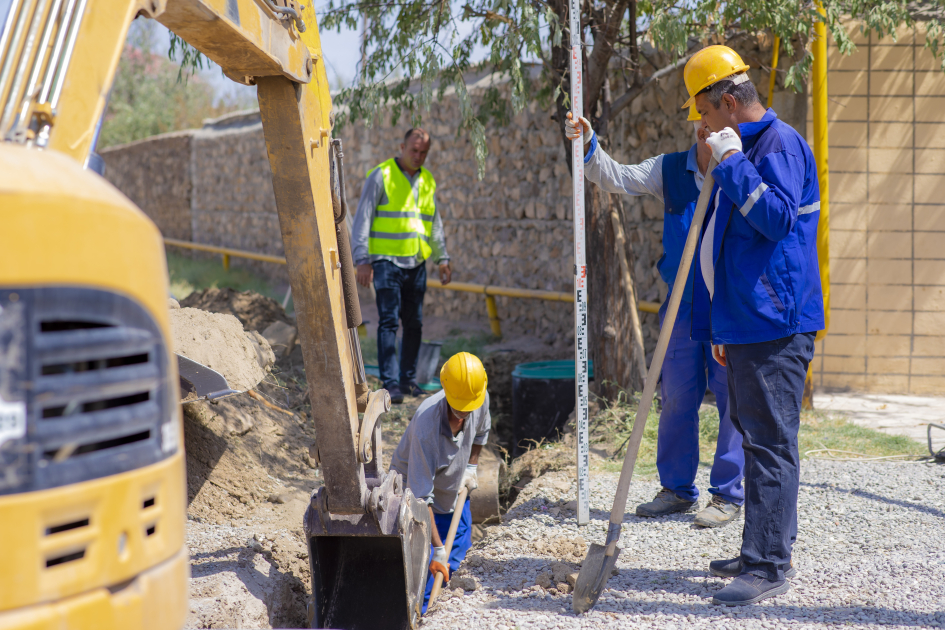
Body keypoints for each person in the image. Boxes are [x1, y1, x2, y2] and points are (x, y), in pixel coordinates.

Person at [682, 45, 823, 606]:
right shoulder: (738, 147)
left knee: (770, 444)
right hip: (744, 323)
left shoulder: (779, 145)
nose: (703, 127)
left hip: (775, 324)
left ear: (728, 100)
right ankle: (757, 548)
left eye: (706, 114)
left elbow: (775, 220)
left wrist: (733, 162)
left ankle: (767, 565)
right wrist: (722, 327)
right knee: (754, 433)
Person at [563, 106, 745, 528]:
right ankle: (677, 490)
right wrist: (589, 145)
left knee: (731, 398)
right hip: (681, 304)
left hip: (728, 307)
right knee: (677, 396)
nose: (715, 133)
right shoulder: (670, 170)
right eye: (709, 125)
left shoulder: (740, 169)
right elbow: (616, 177)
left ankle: (728, 495)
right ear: (701, 128)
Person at [352, 128, 452, 404]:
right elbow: (363, 218)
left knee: (415, 323)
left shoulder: (428, 180)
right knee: (388, 322)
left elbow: (434, 223)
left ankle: (408, 381)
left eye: (424, 153)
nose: (418, 156)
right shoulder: (381, 175)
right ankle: (391, 383)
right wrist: (362, 259)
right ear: (402, 146)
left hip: (416, 263)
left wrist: (442, 258)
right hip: (385, 261)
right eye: (414, 150)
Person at [389, 351, 489, 614]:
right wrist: (437, 549)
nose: (462, 417)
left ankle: (445, 608)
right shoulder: (426, 427)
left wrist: (470, 468)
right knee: (422, 569)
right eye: (458, 410)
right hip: (417, 498)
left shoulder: (478, 397)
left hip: (453, 491)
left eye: (468, 410)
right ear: (446, 392)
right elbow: (421, 499)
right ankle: (420, 614)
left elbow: (481, 432)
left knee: (457, 557)